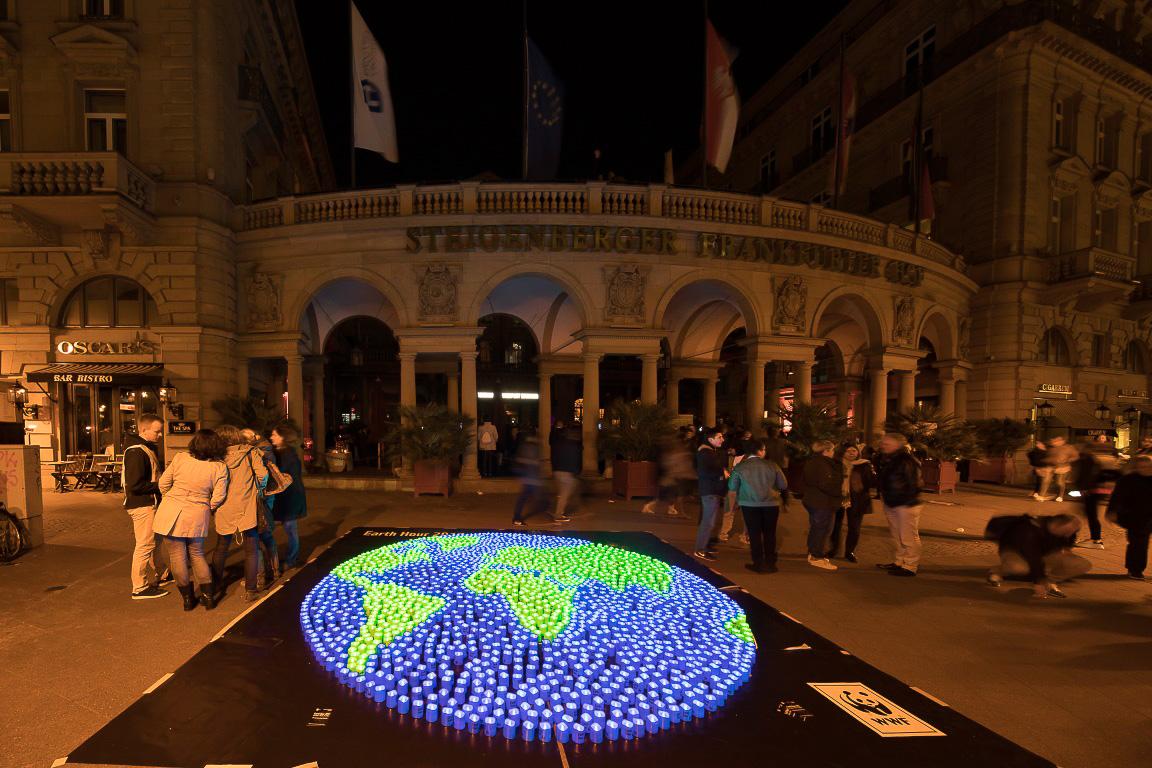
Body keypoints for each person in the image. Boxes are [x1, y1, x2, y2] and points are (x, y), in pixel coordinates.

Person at [154, 429, 229, 611]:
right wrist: (207, 506)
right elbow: (219, 496)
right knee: (197, 554)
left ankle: (187, 600)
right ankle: (208, 598)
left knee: (177, 556)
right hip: (197, 512)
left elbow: (163, 483)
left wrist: (170, 497)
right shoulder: (219, 467)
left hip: (170, 510)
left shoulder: (181, 458)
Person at [210, 425, 269, 602]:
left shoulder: (215, 457)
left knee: (221, 547)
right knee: (251, 548)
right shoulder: (250, 452)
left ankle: (216, 584)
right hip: (247, 506)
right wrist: (259, 490)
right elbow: (263, 475)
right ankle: (251, 590)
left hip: (224, 507)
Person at [123, 413, 171, 599]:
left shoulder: (142, 449)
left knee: (154, 541)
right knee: (145, 545)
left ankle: (162, 573)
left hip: (147, 503)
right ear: (144, 430)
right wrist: (162, 485)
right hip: (142, 505)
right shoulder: (137, 451)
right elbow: (134, 485)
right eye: (157, 431)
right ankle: (139, 587)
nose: (160, 435)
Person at [984, 513, 1090, 598]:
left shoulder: (1064, 531)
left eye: (1071, 532)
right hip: (1015, 551)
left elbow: (1069, 541)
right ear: (1056, 524)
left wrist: (1065, 550)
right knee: (1019, 568)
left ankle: (1050, 582)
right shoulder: (1029, 530)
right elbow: (1033, 557)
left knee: (1082, 564)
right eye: (1067, 531)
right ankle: (997, 572)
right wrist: (1039, 582)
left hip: (1044, 553)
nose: (1068, 534)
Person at [728, 438, 788, 573]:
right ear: (759, 451)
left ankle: (758, 563)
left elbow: (732, 486)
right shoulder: (772, 465)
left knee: (754, 534)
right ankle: (770, 563)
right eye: (764, 449)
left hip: (749, 503)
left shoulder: (740, 467)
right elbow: (783, 485)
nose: (765, 452)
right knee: (770, 533)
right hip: (771, 503)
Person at [874, 433, 924, 577]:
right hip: (893, 502)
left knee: (908, 536)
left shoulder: (906, 460)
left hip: (905, 503)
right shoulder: (890, 458)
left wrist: (905, 501)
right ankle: (900, 562)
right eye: (883, 443)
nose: (883, 446)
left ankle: (910, 566)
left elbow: (913, 483)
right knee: (898, 536)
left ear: (897, 444)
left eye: (887, 444)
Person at [241, 428, 280, 588]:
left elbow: (262, 475)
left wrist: (258, 490)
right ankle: (275, 571)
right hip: (267, 497)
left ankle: (260, 577)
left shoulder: (256, 452)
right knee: (266, 534)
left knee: (253, 539)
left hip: (258, 498)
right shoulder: (267, 449)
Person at [827, 443, 876, 562]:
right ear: (842, 452)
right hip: (838, 498)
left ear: (858, 452)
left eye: (854, 450)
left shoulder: (864, 465)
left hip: (857, 500)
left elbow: (872, 483)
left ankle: (849, 551)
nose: (851, 453)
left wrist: (871, 473)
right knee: (835, 526)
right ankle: (833, 549)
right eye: (848, 451)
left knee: (854, 528)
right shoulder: (836, 465)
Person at [1107, 455, 1152, 580]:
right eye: (1141, 467)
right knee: (1138, 543)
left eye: (1147, 466)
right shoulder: (1129, 480)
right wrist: (1112, 511)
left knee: (1140, 542)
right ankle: (1135, 569)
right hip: (1135, 516)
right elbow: (1117, 497)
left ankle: (1135, 568)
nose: (1145, 469)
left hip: (1149, 515)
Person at [270, 425, 307, 571]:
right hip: (290, 496)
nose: (271, 437)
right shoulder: (286, 452)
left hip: (290, 496)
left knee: (291, 529)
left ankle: (291, 560)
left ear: (283, 437)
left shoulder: (286, 454)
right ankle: (290, 558)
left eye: (275, 434)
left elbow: (282, 474)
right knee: (290, 528)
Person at [802, 440, 843, 570]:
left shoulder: (812, 461)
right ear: (825, 451)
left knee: (816, 528)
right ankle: (816, 557)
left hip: (814, 499)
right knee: (821, 529)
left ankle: (813, 553)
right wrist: (839, 493)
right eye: (832, 450)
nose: (833, 453)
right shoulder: (823, 464)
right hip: (822, 501)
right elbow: (825, 484)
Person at [511, 430, 565, 525]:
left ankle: (516, 518)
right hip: (532, 479)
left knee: (525, 499)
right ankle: (551, 519)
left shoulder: (525, 446)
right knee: (539, 500)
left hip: (528, 478)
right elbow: (533, 464)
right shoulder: (533, 447)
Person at [551, 422, 583, 520]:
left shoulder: (559, 443)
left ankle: (559, 510)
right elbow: (573, 459)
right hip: (566, 472)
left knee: (565, 492)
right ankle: (558, 514)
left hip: (557, 470)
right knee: (566, 492)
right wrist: (576, 471)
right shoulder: (572, 445)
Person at [1038, 435, 1077, 501]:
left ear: (1063, 441)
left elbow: (1075, 456)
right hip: (1050, 466)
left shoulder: (1069, 447)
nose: (1055, 442)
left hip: (1062, 467)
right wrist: (1042, 449)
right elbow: (1045, 454)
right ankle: (1041, 496)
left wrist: (1067, 460)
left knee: (1059, 482)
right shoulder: (1050, 447)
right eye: (1054, 440)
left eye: (1058, 441)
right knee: (1045, 481)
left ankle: (1060, 496)